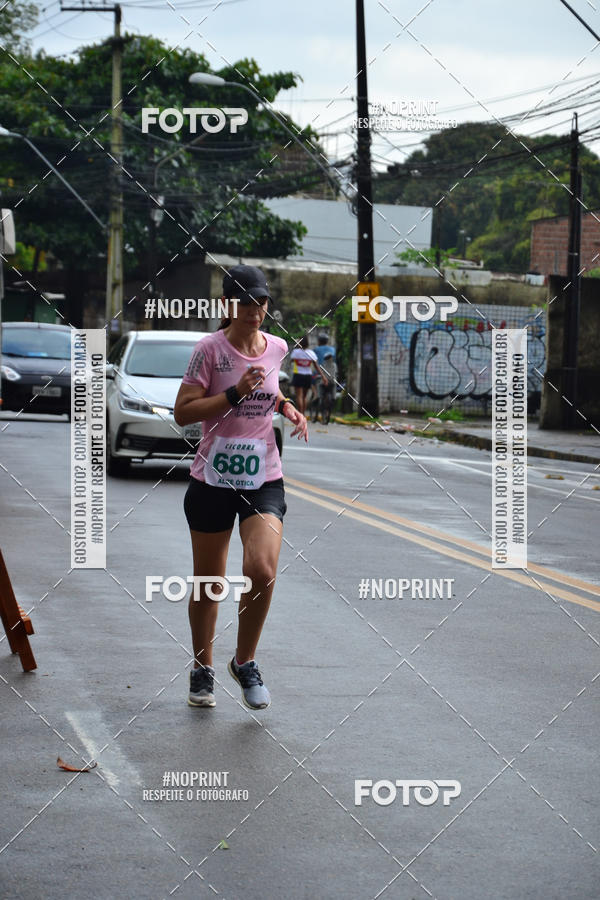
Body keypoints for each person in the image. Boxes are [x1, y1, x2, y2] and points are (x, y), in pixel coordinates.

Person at [174, 264, 308, 711]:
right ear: (228, 305)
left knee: (263, 570)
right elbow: (183, 411)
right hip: (212, 480)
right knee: (209, 583)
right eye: (246, 302)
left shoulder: (278, 347)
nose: (255, 310)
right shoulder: (209, 351)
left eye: (261, 302)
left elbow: (271, 389)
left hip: (263, 477)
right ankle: (202, 668)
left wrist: (287, 408)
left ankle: (244, 661)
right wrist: (233, 395)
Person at [290, 334, 328, 416]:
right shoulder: (311, 353)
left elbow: (291, 360)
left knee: (299, 396)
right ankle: (303, 415)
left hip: (298, 375)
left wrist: (297, 345)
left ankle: (300, 414)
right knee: (304, 397)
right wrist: (323, 376)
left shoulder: (296, 352)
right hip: (308, 376)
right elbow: (317, 366)